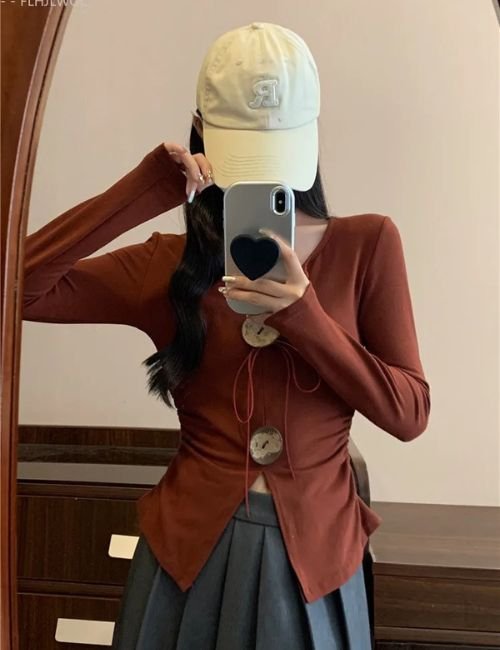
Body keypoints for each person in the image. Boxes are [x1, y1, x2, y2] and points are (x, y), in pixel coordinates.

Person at [23, 22, 431, 650]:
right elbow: (18, 288)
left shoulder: (367, 244)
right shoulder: (168, 262)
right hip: (187, 556)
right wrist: (145, 192)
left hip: (318, 559)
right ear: (200, 130)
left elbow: (409, 413)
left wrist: (305, 317)